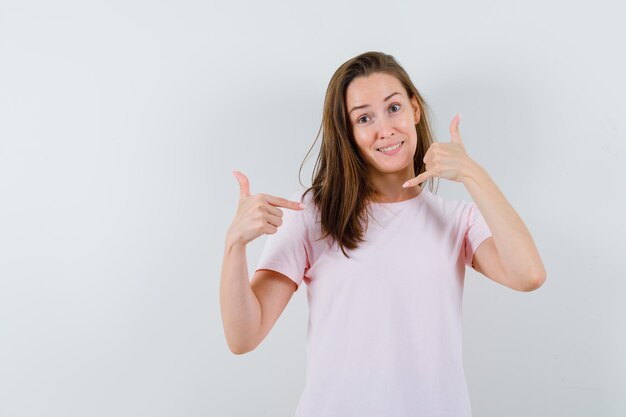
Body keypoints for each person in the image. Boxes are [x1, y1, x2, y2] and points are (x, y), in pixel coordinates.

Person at [220, 51, 546, 417]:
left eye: (393, 108)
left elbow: (528, 274)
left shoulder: (456, 220)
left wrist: (473, 174)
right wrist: (234, 245)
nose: (385, 129)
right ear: (349, 133)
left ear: (415, 110)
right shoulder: (313, 214)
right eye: (364, 118)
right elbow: (243, 337)